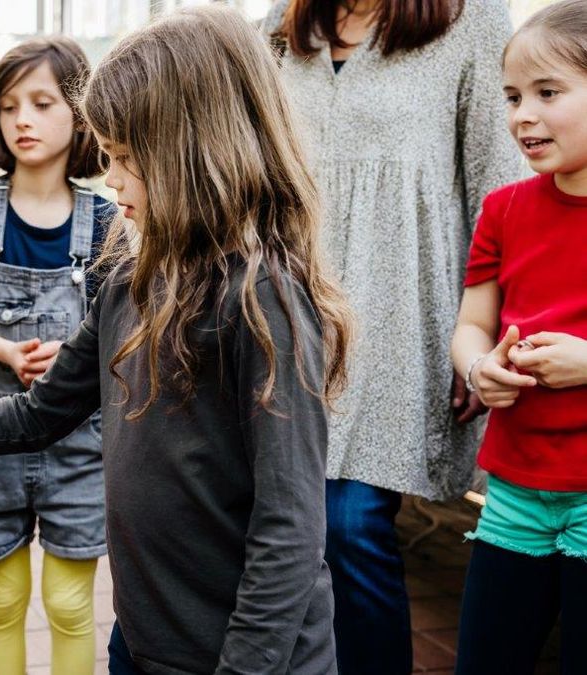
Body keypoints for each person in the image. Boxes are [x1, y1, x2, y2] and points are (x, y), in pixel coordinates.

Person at [0, 7, 353, 673]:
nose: (111, 180)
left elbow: (289, 532)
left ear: (195, 151)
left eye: (128, 160)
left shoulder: (264, 300)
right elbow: (37, 412)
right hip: (141, 643)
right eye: (109, 157)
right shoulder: (128, 278)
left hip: (243, 659)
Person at [262, 1, 523, 671]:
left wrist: (481, 334)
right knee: (281, 533)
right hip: (281, 319)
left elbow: (501, 189)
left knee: (347, 525)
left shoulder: (475, 25)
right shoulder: (279, 29)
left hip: (401, 320)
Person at [0, 36, 116, 673]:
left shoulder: (107, 220)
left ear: (80, 113)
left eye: (42, 103)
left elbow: (120, 328)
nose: (22, 120)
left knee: (67, 604)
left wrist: (77, 355)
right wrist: (7, 351)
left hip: (78, 441)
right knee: (1, 602)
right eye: (9, 107)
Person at [451, 2, 587, 671]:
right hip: (512, 492)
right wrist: (479, 369)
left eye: (547, 93)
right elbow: (472, 323)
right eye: (511, 97)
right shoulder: (503, 209)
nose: (521, 116)